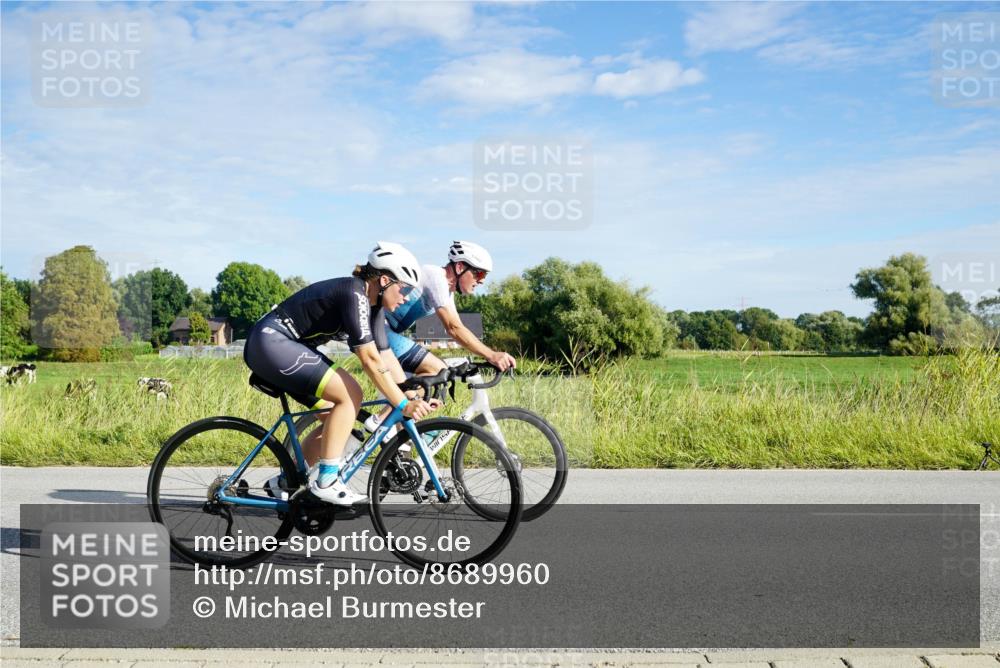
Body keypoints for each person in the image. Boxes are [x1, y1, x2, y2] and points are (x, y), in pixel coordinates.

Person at [243, 241, 433, 506]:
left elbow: (384, 357)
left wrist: (410, 392)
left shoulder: (374, 307)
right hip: (272, 343)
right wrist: (402, 404)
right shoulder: (353, 293)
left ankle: (286, 482)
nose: (405, 298)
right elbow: (367, 358)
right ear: (385, 280)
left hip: (283, 347)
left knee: (337, 416)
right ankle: (327, 482)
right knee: (351, 393)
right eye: (405, 289)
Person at [377, 241, 515, 402]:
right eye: (479, 274)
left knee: (417, 397)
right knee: (438, 371)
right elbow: (453, 328)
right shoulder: (436, 277)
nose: (482, 281)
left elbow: (458, 327)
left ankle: (390, 422)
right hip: (378, 328)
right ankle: (380, 420)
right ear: (460, 267)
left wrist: (489, 354)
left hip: (387, 333)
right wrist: (491, 355)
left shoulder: (447, 292)